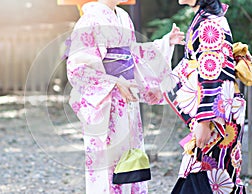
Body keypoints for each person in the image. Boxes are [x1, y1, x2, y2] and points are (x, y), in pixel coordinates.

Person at [66, 0, 184, 193]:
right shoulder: (90, 20)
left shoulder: (123, 17)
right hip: (106, 101)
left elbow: (133, 55)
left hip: (127, 99)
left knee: (131, 159)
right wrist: (114, 82)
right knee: (108, 164)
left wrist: (165, 43)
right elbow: (78, 68)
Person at [164, 0, 247, 193]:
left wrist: (204, 121)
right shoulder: (205, 18)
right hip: (216, 113)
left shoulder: (210, 23)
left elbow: (213, 73)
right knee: (209, 176)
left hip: (216, 117)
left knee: (210, 176)